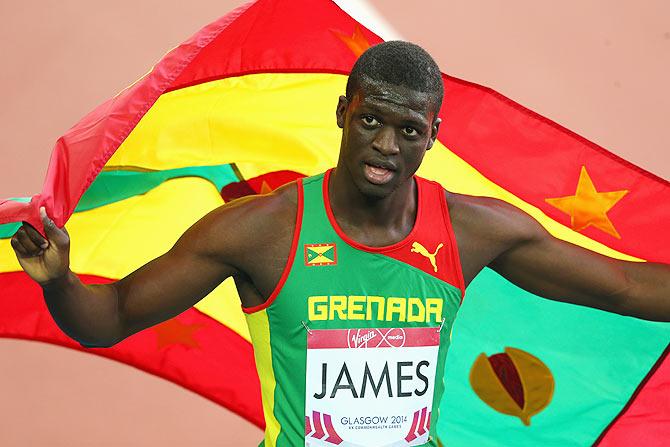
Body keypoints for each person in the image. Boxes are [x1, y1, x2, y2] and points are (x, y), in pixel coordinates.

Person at [10, 41, 670, 447]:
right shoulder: (261, 231)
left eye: (408, 129)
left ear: (433, 134)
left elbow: (628, 286)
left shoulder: (472, 229)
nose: (386, 145)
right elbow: (112, 317)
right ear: (343, 113)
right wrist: (60, 282)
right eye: (371, 120)